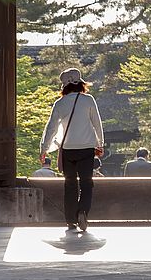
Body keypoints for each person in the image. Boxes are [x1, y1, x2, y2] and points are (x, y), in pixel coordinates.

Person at [40, 68, 104, 232]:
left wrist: (44, 149)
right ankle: (82, 210)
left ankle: (70, 220)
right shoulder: (88, 100)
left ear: (64, 86)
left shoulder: (60, 103)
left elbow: (51, 128)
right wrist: (100, 144)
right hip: (87, 149)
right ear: (81, 83)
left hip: (68, 149)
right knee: (86, 183)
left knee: (69, 185)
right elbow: (97, 123)